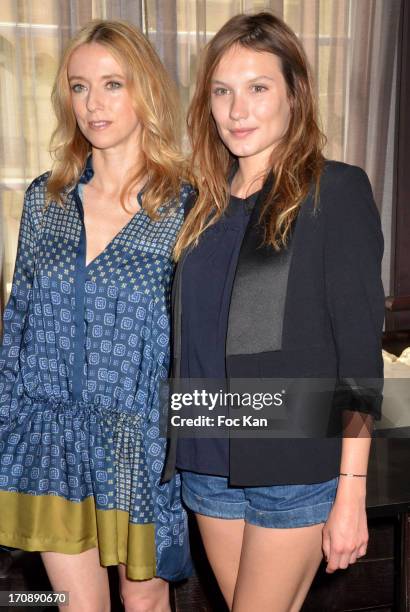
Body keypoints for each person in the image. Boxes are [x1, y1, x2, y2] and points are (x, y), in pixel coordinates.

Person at [162, 11, 385, 612]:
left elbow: (361, 359)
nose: (238, 110)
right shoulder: (200, 204)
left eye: (258, 88)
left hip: (294, 461)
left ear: (294, 94)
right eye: (222, 91)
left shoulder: (333, 191)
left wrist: (351, 492)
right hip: (206, 455)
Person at [0, 19, 194, 612]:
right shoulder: (46, 197)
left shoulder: (188, 205)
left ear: (147, 93)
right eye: (79, 87)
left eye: (113, 84)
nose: (93, 103)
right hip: (48, 435)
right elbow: (19, 324)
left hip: (138, 442)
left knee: (144, 603)